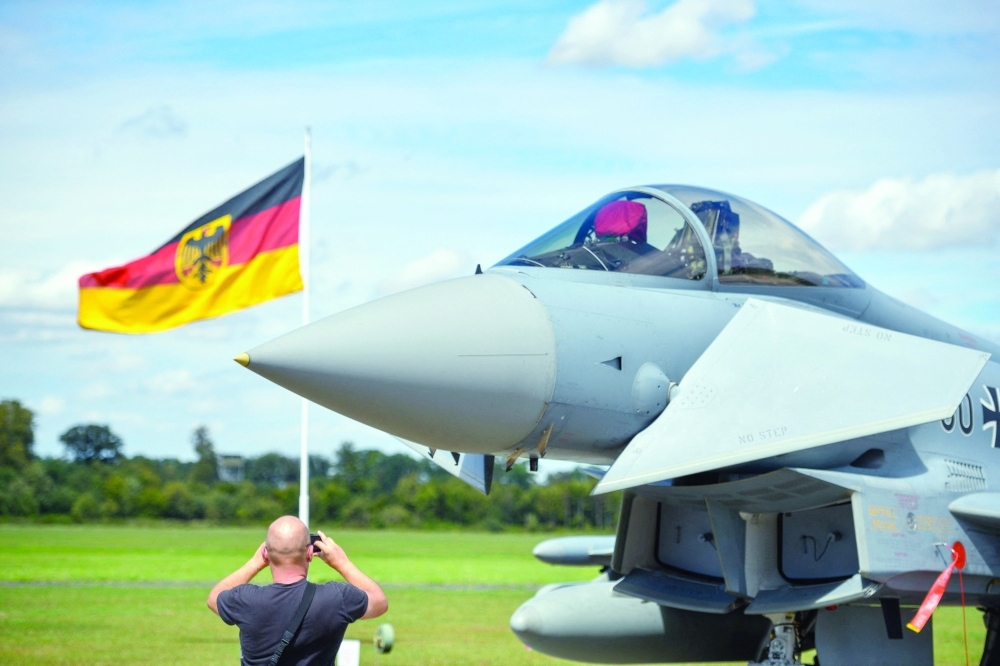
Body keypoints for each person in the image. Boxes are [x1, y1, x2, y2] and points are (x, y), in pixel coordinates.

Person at [207, 515, 388, 665]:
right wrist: (342, 562)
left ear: (266, 553)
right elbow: (379, 602)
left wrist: (255, 563)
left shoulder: (244, 599)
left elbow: (214, 598)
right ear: (310, 553)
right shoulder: (336, 598)